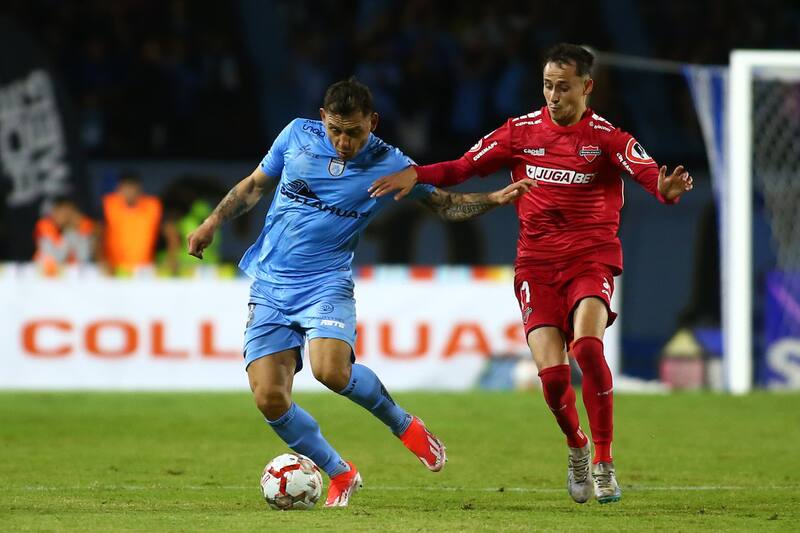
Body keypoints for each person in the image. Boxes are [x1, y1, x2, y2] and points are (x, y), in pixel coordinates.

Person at [368, 43, 694, 504]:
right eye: (547, 85)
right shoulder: (519, 132)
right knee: (555, 378)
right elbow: (463, 167)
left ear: (587, 87)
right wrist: (416, 174)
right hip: (536, 266)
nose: (553, 95)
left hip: (590, 259)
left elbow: (649, 178)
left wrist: (665, 190)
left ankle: (603, 459)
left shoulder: (608, 139)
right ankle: (577, 447)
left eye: (563, 87)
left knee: (587, 347)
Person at [187, 77, 532, 507]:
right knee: (269, 398)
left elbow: (443, 203)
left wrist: (494, 199)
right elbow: (255, 185)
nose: (344, 141)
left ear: (373, 121)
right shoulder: (295, 136)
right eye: (336, 130)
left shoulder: (391, 164)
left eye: (354, 131)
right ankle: (339, 472)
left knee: (331, 370)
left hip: (326, 282)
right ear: (322, 120)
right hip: (271, 283)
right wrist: (211, 223)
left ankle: (404, 424)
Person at [102, 173, 163, 274]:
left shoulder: (153, 206)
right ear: (118, 189)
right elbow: (98, 233)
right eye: (125, 188)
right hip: (114, 270)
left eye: (132, 188)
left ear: (139, 189)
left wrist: (171, 257)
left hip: (145, 270)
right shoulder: (108, 205)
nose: (129, 192)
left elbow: (169, 230)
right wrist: (102, 260)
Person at [33, 196, 98, 275]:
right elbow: (53, 259)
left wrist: (75, 229)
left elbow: (84, 257)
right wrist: (68, 235)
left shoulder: (80, 227)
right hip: (45, 275)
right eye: (61, 211)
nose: (65, 215)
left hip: (73, 276)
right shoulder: (45, 226)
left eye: (68, 212)